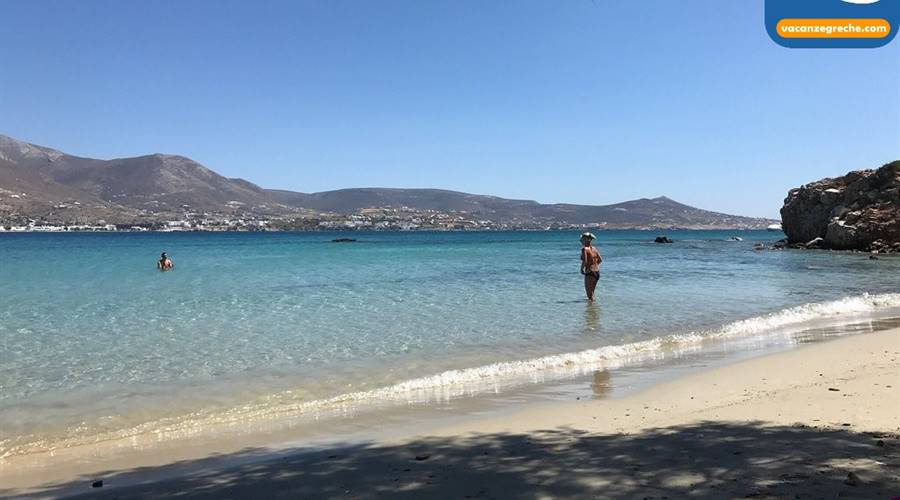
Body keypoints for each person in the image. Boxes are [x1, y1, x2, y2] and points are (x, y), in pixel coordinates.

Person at [579, 232, 601, 301]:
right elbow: (600, 259)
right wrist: (595, 265)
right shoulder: (594, 249)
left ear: (585, 240)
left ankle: (591, 310)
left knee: (589, 295)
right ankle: (593, 310)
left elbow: (585, 261)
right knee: (592, 294)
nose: (581, 241)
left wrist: (581, 269)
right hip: (597, 272)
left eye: (582, 240)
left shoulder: (584, 249)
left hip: (589, 272)